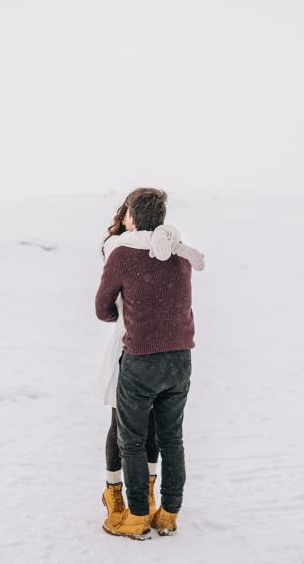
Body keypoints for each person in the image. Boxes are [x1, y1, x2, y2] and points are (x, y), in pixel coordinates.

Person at [95, 187, 204, 540]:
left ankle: (138, 516)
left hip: (141, 358)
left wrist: (124, 315)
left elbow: (102, 308)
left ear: (132, 217)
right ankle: (168, 514)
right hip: (181, 359)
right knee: (172, 439)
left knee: (132, 439)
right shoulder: (180, 252)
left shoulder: (123, 254)